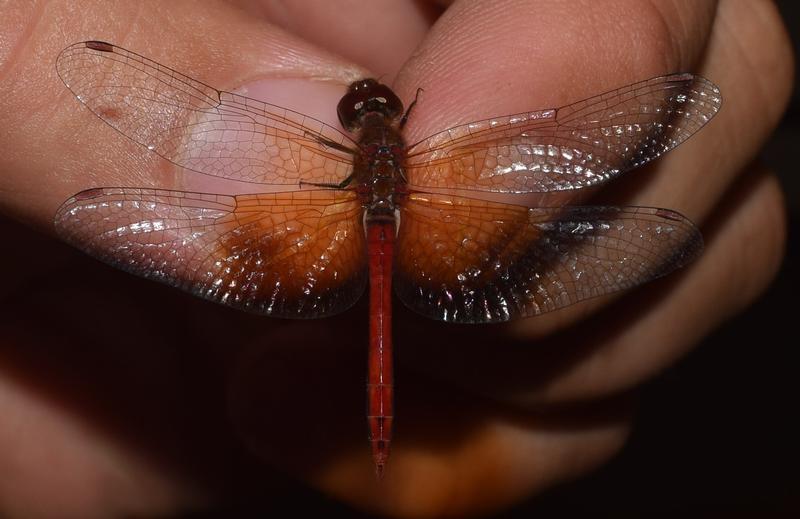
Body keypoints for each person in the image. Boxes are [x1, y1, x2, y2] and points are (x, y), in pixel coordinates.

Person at [0, 0, 792, 516]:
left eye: (368, 109)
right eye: (366, 107)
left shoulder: (347, 156)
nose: (370, 110)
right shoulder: (416, 149)